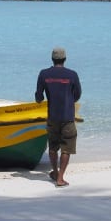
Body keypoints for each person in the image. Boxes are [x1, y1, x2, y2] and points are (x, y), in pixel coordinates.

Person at [35, 46, 82, 187]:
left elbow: (39, 97)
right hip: (67, 117)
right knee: (66, 148)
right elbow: (78, 94)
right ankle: (60, 177)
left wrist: (39, 98)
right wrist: (68, 101)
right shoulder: (72, 75)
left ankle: (55, 172)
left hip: (52, 117)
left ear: (52, 59)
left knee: (53, 146)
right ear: (65, 59)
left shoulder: (44, 74)